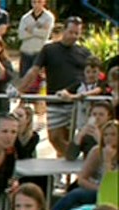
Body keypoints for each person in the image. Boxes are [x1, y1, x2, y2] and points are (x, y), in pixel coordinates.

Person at [19, 16, 91, 158]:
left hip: (75, 100)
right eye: (71, 32)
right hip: (55, 100)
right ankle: (71, 158)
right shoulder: (49, 49)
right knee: (55, 137)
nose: (74, 36)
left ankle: (70, 161)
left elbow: (94, 74)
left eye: (77, 33)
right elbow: (34, 71)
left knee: (71, 137)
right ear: (64, 30)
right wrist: (19, 90)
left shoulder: (84, 52)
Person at [51, 120, 118, 210]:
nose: (108, 138)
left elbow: (110, 184)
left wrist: (107, 161)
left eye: (113, 134)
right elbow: (82, 179)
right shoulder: (97, 151)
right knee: (76, 194)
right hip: (97, 189)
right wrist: (98, 189)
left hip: (114, 192)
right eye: (105, 135)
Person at [17, 0, 54, 79]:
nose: (36, 4)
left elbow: (45, 34)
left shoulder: (49, 17)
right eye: (34, 2)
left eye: (39, 2)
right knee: (24, 79)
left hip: (40, 52)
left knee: (39, 79)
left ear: (44, 2)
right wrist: (39, 29)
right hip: (26, 52)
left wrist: (31, 30)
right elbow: (21, 35)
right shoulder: (25, 17)